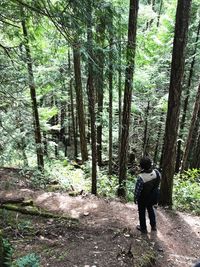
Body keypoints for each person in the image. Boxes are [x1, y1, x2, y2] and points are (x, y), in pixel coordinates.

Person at [134, 157, 161, 233]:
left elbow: (137, 190)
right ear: (150, 164)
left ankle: (143, 228)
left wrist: (135, 198)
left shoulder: (141, 177)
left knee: (142, 212)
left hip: (143, 198)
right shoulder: (156, 172)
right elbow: (158, 182)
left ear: (141, 166)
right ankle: (153, 225)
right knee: (151, 209)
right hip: (153, 196)